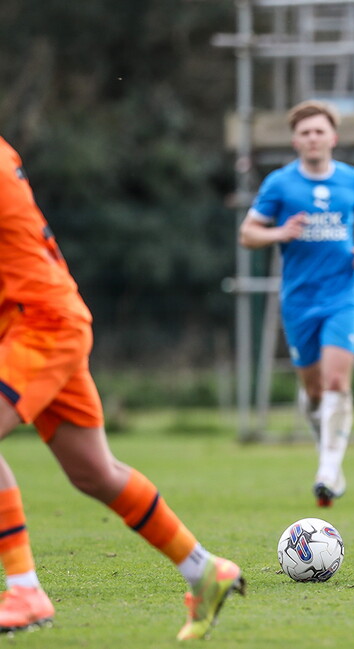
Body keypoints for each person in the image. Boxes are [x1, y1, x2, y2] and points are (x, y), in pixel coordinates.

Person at [0, 135, 244, 639]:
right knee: (95, 472)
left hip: (40, 324)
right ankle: (203, 570)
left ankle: (24, 589)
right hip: (40, 321)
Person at [239, 100, 354, 506]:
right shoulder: (280, 184)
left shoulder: (352, 179)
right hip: (299, 300)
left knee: (337, 382)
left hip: (343, 295)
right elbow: (248, 233)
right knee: (315, 392)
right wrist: (279, 233)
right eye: (305, 133)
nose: (313, 138)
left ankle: (328, 470)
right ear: (295, 141)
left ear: (332, 137)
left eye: (319, 131)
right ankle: (327, 453)